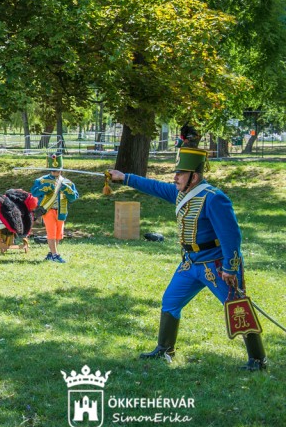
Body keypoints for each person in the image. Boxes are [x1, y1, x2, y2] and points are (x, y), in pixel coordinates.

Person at [108, 127, 268, 371]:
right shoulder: (180, 193)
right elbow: (153, 186)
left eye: (180, 174)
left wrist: (230, 268)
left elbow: (231, 236)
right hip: (190, 264)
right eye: (176, 173)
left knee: (238, 307)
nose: (175, 178)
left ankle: (258, 359)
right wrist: (124, 177)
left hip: (217, 265)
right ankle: (165, 349)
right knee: (170, 301)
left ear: (194, 176)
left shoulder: (214, 198)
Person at [30, 153, 80, 263]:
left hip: (62, 210)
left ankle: (51, 253)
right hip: (47, 209)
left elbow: (73, 197)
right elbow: (34, 193)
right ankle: (55, 255)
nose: (55, 173)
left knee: (58, 234)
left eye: (57, 171)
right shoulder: (41, 181)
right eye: (53, 171)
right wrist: (45, 187)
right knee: (51, 231)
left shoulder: (67, 183)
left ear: (61, 170)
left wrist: (66, 189)